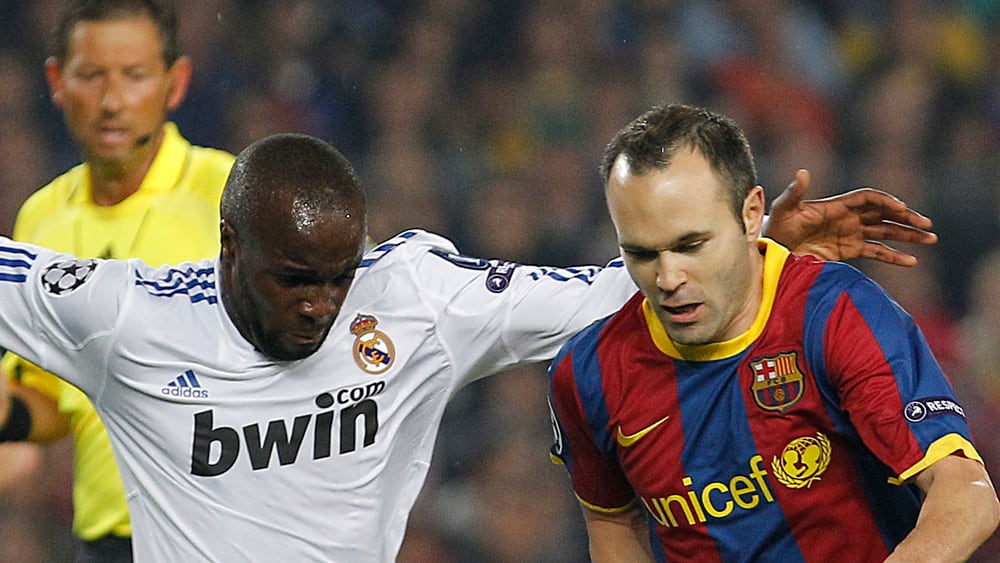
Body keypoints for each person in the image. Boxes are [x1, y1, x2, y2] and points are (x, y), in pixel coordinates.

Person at [0, 130, 936, 561]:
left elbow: (603, 293)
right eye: (294, 279)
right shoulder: (125, 315)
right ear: (230, 248)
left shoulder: (412, 296)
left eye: (339, 275)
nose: (322, 305)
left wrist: (752, 247)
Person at [547, 104, 1000, 562]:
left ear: (751, 215)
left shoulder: (833, 314)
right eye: (642, 254)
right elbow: (613, 524)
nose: (667, 278)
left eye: (691, 245)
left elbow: (967, 495)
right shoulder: (587, 375)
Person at [0, 0, 235, 560]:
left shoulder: (231, 194)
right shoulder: (42, 218)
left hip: (227, 534)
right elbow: (50, 399)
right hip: (107, 541)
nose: (111, 101)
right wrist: (8, 413)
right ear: (57, 82)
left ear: (175, 83)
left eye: (134, 76)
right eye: (90, 75)